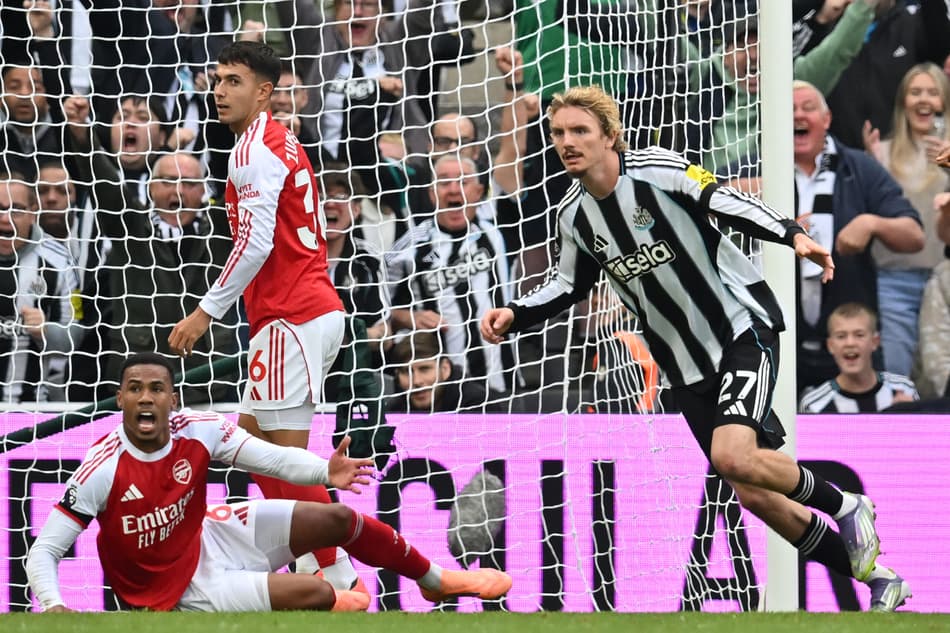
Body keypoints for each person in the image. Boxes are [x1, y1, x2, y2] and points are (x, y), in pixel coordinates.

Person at [479, 85, 910, 612]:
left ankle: (846, 503)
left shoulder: (657, 170)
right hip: (683, 365)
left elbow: (725, 198)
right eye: (558, 134)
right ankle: (881, 580)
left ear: (610, 136)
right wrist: (516, 313)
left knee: (733, 455)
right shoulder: (573, 215)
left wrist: (790, 233)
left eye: (580, 131)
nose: (567, 142)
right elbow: (568, 284)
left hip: (739, 329)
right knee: (752, 491)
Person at [25, 352, 513, 612]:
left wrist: (327, 471)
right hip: (178, 592)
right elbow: (44, 551)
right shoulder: (102, 467)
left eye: (157, 389)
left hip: (210, 534)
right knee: (318, 595)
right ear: (120, 400)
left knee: (339, 517)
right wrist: (54, 607)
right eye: (135, 390)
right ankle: (329, 597)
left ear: (173, 399)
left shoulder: (198, 430)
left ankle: (435, 581)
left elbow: (273, 459)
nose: (146, 399)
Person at [168, 41, 360, 595]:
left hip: (289, 318)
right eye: (217, 80)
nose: (219, 90)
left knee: (291, 465)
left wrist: (205, 312)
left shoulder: (253, 149)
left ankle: (340, 577)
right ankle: (312, 567)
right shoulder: (278, 140)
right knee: (253, 452)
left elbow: (253, 244)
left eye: (233, 81)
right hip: (304, 313)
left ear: (264, 92)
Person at [792, 80, 924, 392]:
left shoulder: (858, 167)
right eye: (790, 109)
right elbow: (710, 192)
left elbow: (914, 234)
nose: (798, 115)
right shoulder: (762, 168)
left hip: (848, 337)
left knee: (857, 433)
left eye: (808, 108)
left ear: (827, 120)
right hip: (783, 336)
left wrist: (871, 223)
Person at [387, 154, 512, 395]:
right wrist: (404, 316)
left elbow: (512, 154)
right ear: (432, 194)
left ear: (478, 192)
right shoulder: (410, 244)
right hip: (441, 385)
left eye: (463, 181)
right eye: (444, 182)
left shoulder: (497, 231)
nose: (454, 189)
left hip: (500, 376)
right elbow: (376, 304)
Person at [861, 63, 950, 378]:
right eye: (915, 92)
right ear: (903, 102)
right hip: (894, 281)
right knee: (898, 376)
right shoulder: (880, 153)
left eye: (932, 92)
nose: (923, 100)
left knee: (939, 379)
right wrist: (870, 168)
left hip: (944, 281)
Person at [0, 171, 81, 402]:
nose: (5, 218)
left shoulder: (59, 261)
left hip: (31, 408)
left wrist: (47, 330)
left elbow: (76, 334)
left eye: (16, 209)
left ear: (33, 212)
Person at [799, 302, 918, 413]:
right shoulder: (814, 405)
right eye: (841, 336)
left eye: (859, 335)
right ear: (830, 345)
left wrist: (907, 416)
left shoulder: (904, 389)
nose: (850, 343)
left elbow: (922, 435)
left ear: (875, 341)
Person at [387, 330, 503, 413]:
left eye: (424, 369)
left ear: (445, 368)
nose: (417, 381)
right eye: (406, 372)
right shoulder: (394, 411)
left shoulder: (478, 405)